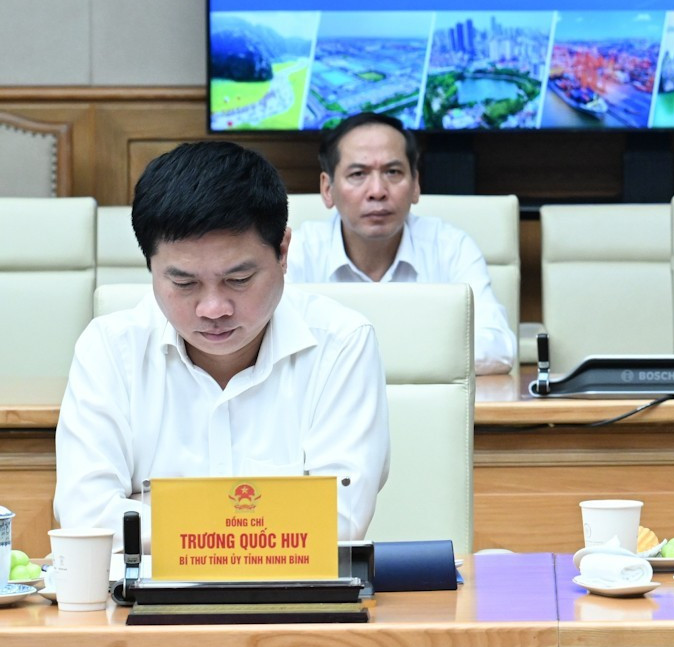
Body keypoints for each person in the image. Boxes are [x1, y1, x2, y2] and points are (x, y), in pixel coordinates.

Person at [55, 141, 390, 541]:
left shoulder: (341, 344)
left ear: (283, 251)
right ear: (150, 266)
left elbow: (337, 521)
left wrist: (148, 517)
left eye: (238, 280)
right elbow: (85, 516)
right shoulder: (110, 349)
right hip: (141, 603)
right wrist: (264, 525)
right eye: (184, 283)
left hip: (294, 600)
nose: (213, 309)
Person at [287, 112, 517, 375]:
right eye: (358, 174)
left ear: (416, 184)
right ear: (327, 189)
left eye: (393, 172)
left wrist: (359, 356)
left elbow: (499, 347)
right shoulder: (298, 252)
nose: (377, 191)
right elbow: (276, 349)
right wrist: (419, 353)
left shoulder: (450, 247)